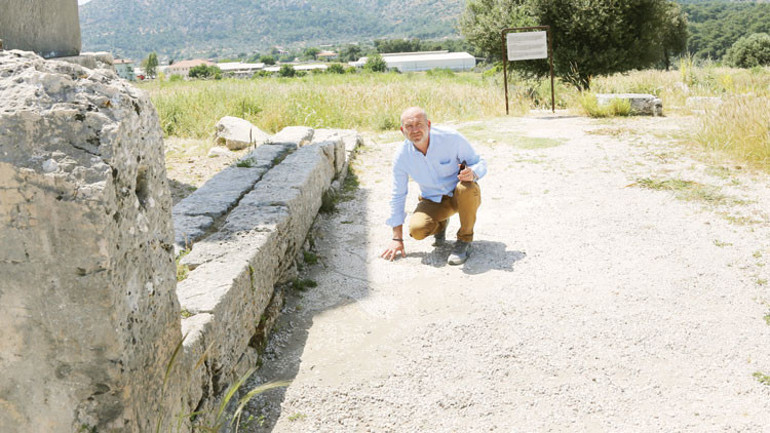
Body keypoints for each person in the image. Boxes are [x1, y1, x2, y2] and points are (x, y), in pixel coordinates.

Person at [381, 107, 486, 265]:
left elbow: (480, 162)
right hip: (434, 199)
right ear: (402, 130)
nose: (415, 129)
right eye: (409, 126)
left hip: (461, 194)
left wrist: (473, 173)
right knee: (417, 230)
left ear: (428, 124)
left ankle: (465, 240)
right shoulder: (402, 156)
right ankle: (441, 223)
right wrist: (397, 238)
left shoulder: (451, 138)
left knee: (466, 188)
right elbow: (398, 194)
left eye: (419, 124)